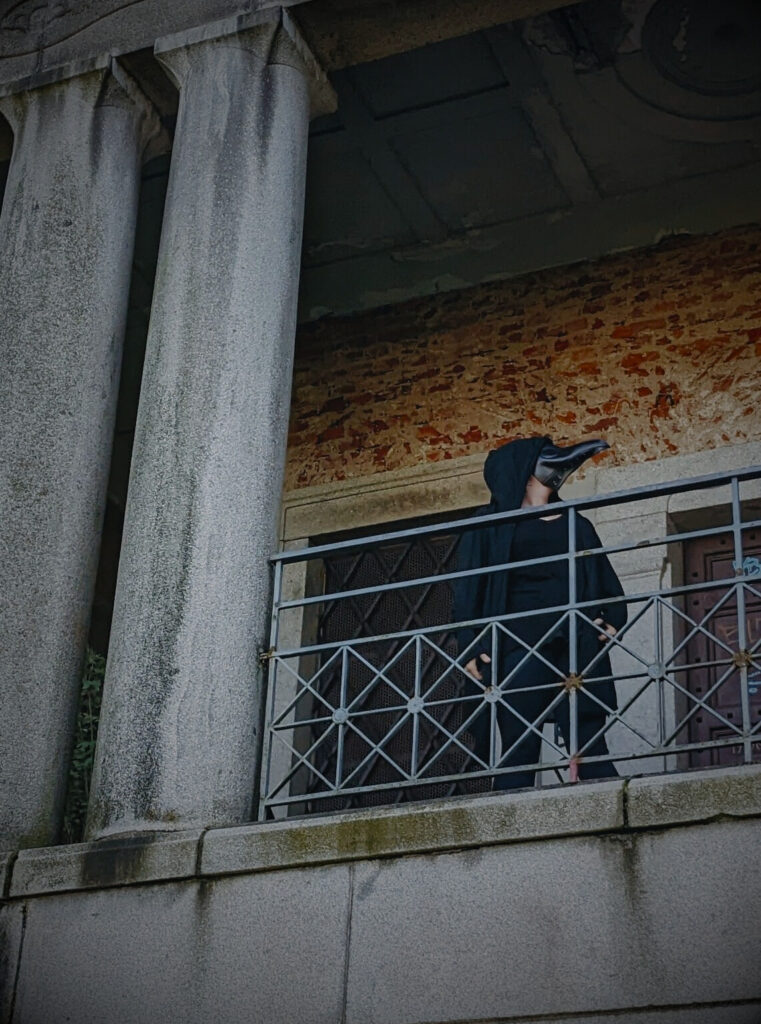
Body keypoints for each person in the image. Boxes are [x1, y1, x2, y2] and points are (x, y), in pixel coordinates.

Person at [452, 436, 627, 789]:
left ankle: (611, 799)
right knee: (520, 733)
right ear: (523, 470)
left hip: (574, 636)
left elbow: (606, 581)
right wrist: (469, 644)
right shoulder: (490, 524)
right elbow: (468, 589)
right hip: (520, 640)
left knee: (588, 729)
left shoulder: (576, 523)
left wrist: (611, 620)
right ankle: (509, 813)